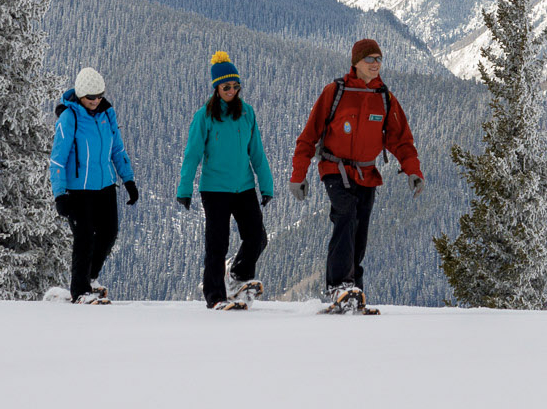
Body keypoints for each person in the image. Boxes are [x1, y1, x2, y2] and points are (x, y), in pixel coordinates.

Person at [289, 38, 423, 312]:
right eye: (369, 59)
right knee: (346, 215)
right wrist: (298, 174)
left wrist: (413, 171)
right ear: (356, 63)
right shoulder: (335, 92)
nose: (375, 64)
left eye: (378, 59)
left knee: (360, 230)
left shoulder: (384, 98)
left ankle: (353, 291)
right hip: (334, 169)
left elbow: (401, 140)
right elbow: (309, 135)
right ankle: (339, 285)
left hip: (367, 173)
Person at [175, 50, 276, 309]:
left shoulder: (247, 113)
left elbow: (257, 153)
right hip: (215, 189)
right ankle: (215, 297)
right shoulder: (204, 116)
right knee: (217, 245)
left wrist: (266, 186)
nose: (232, 91)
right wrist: (184, 188)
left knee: (257, 237)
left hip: (244, 187)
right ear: (216, 88)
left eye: (235, 86)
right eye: (226, 87)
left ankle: (237, 279)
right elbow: (192, 154)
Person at [47, 65, 138, 304]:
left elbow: (117, 149)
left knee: (109, 234)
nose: (96, 100)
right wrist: (59, 194)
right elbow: (57, 159)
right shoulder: (70, 118)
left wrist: (128, 179)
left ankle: (90, 279)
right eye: (91, 97)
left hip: (105, 186)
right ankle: (80, 291)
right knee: (84, 238)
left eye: (99, 95)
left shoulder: (107, 114)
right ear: (80, 95)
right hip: (78, 190)